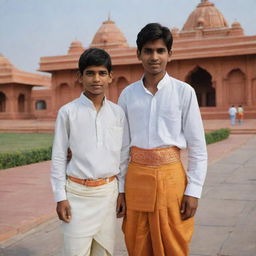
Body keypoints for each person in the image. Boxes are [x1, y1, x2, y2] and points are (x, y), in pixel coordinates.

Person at [118, 23, 208, 256]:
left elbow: (197, 146)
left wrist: (194, 190)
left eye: (160, 50)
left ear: (170, 54)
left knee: (174, 243)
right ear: (139, 54)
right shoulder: (128, 94)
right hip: (136, 179)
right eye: (148, 50)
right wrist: (120, 189)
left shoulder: (184, 92)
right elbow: (121, 146)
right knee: (137, 242)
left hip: (172, 179)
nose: (154, 57)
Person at [51, 48, 126, 256]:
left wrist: (122, 191)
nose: (96, 79)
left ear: (111, 77)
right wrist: (60, 197)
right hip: (77, 195)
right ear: (80, 77)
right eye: (90, 73)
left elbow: (123, 155)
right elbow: (58, 156)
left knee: (103, 253)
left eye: (102, 73)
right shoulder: (68, 112)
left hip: (108, 193)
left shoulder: (117, 113)